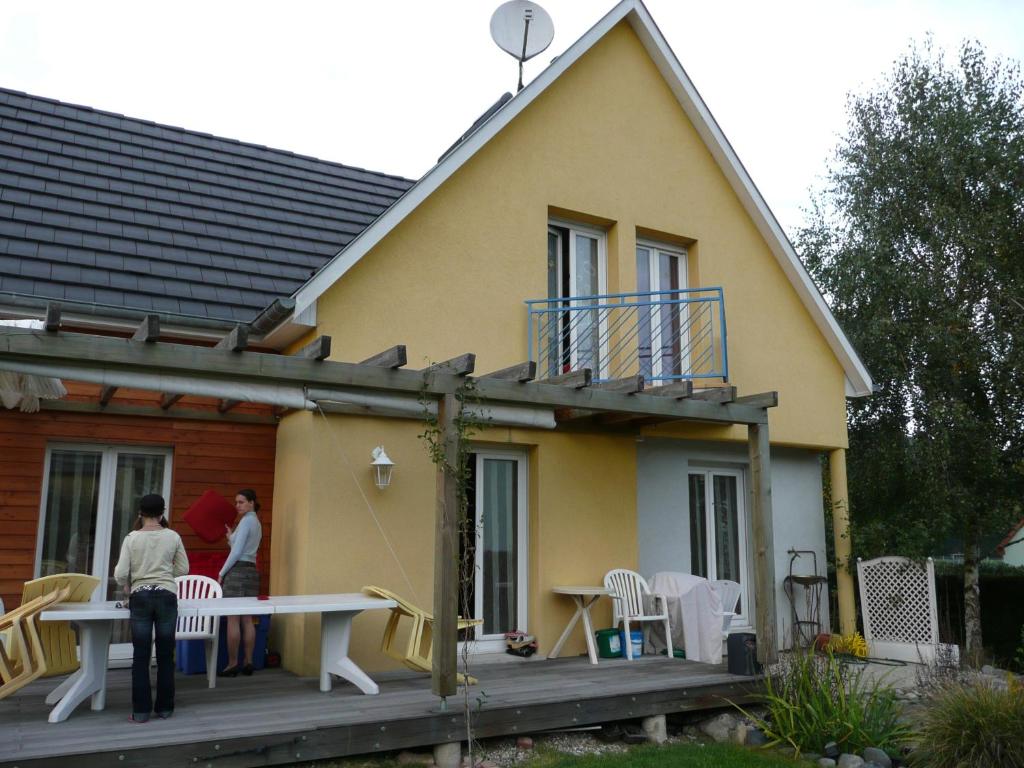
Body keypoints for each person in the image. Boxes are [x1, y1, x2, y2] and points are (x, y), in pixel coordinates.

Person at [113, 493, 188, 723]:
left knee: (141, 656)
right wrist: (165, 575)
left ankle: (141, 712)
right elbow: (183, 569)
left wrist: (133, 581)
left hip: (141, 598)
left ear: (140, 513)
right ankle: (165, 709)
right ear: (162, 512)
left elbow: (119, 575)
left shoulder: (132, 538)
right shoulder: (173, 536)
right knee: (166, 655)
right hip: (166, 596)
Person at [218, 488, 263, 676]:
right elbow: (241, 548)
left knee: (233, 619)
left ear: (252, 502)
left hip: (237, 572)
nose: (238, 505)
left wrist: (221, 573)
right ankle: (249, 661)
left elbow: (236, 553)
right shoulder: (256, 522)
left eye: (242, 502)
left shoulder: (246, 521)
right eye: (236, 502)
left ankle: (232, 663)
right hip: (251, 571)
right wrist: (231, 538)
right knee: (247, 619)